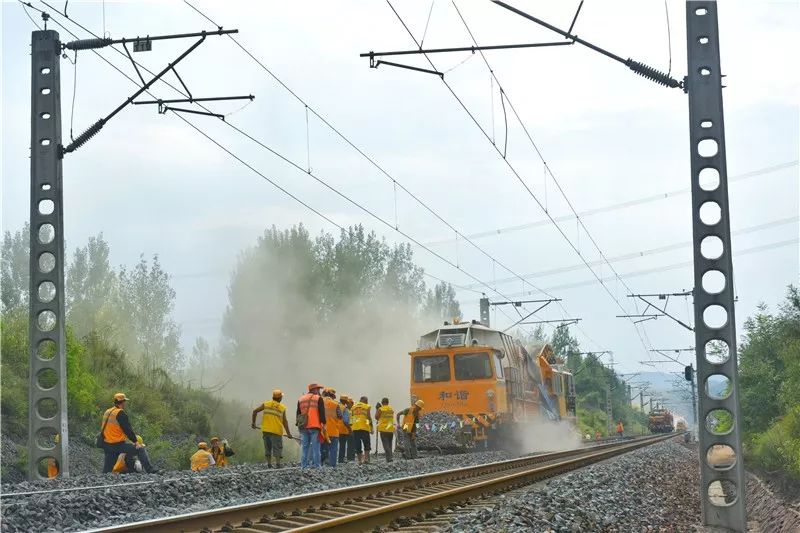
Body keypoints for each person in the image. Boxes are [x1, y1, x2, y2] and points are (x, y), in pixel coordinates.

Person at [99, 392, 157, 474]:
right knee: (140, 449)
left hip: (107, 445)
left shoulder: (107, 412)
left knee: (107, 471)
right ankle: (150, 470)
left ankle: (102, 480)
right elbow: (128, 430)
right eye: (124, 401)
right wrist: (136, 442)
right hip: (118, 445)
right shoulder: (120, 413)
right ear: (122, 402)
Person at [252, 389, 293, 468]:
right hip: (276, 431)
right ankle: (278, 464)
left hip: (266, 430)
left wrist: (253, 423)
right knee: (277, 447)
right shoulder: (282, 407)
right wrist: (288, 434)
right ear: (280, 398)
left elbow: (255, 411)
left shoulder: (266, 404)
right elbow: (285, 421)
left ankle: (269, 464)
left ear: (273, 397)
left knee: (267, 447)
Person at [297, 383, 326, 468]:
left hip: (303, 426)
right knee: (316, 447)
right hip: (314, 426)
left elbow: (298, 413)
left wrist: (298, 424)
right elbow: (322, 413)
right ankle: (317, 465)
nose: (319, 391)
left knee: (305, 447)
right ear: (314, 389)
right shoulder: (318, 398)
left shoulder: (301, 399)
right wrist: (324, 424)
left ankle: (303, 466)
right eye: (318, 389)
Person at [321, 388, 342, 467]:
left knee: (322, 448)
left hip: (322, 430)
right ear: (332, 396)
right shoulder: (336, 404)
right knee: (333, 449)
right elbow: (340, 416)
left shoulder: (320, 402)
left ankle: (320, 464)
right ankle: (332, 466)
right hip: (334, 430)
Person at [350, 396, 373, 465]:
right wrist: (370, 427)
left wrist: (352, 427)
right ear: (365, 401)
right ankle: (366, 459)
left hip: (355, 428)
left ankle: (359, 461)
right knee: (367, 444)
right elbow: (368, 418)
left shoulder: (353, 407)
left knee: (357, 445)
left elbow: (352, 419)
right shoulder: (366, 406)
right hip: (364, 427)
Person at [375, 397, 395, 462]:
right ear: (388, 402)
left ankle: (389, 458)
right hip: (390, 428)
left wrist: (377, 409)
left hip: (384, 429)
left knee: (385, 444)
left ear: (382, 402)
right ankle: (390, 457)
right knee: (389, 444)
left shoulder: (381, 409)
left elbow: (376, 417)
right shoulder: (391, 409)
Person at [337, 394, 352, 464]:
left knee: (334, 445)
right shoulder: (344, 408)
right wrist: (349, 429)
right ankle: (341, 460)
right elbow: (345, 421)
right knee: (342, 446)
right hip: (343, 429)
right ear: (345, 401)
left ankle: (333, 459)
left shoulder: (336, 406)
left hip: (336, 429)